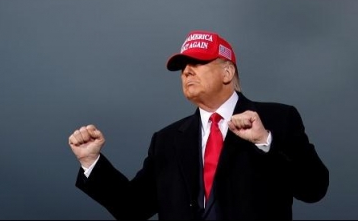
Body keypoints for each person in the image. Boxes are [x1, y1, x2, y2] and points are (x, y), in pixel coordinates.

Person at [68, 30, 329, 220]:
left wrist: (266, 142)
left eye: (198, 62)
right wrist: (92, 162)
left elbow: (314, 188)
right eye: (183, 66)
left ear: (227, 72)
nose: (187, 71)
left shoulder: (277, 119)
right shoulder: (166, 141)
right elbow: (133, 208)